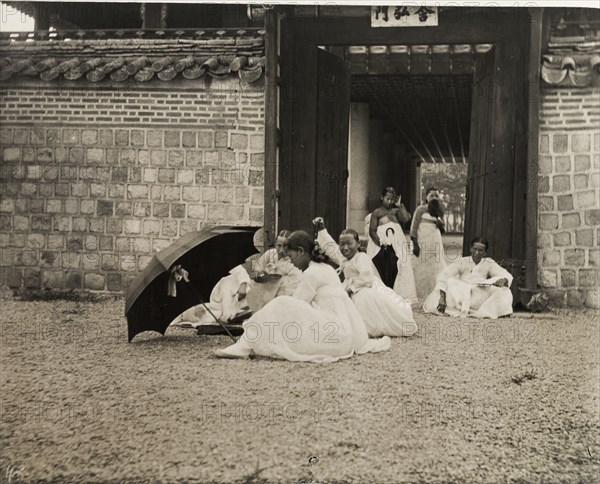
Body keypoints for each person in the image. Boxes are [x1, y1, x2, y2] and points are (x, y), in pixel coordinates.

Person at [215, 231, 391, 361]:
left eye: (291, 256)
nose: (290, 261)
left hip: (335, 334)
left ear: (300, 252)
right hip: (344, 331)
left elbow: (295, 305)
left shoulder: (312, 273)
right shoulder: (326, 268)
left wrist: (264, 312)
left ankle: (246, 344)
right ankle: (248, 341)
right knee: (281, 305)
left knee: (281, 303)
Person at [314, 220, 417, 338]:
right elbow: (331, 247)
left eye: (349, 243)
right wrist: (321, 228)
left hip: (365, 287)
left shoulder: (361, 257)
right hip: (353, 287)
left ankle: (366, 328)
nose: (345, 247)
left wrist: (350, 290)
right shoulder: (344, 258)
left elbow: (367, 278)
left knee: (364, 301)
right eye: (342, 244)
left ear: (358, 244)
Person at [423, 237, 514, 319]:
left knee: (504, 290)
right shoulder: (462, 261)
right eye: (475, 249)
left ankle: (500, 311)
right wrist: (442, 297)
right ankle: (452, 306)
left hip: (479, 295)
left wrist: (504, 280)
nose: (477, 253)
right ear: (470, 248)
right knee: (450, 282)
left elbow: (505, 274)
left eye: (481, 250)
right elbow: (444, 274)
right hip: (461, 294)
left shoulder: (488, 262)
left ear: (485, 252)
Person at [366, 187, 418, 304]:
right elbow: (372, 231)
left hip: (397, 242)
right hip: (383, 243)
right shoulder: (377, 212)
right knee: (384, 267)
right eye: (387, 198)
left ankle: (397, 293)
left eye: (392, 199)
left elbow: (406, 218)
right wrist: (380, 242)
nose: (389, 201)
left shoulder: (395, 211)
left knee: (401, 264)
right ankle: (383, 294)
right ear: (382, 197)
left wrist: (400, 206)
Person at [411, 197, 447, 302]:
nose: (434, 197)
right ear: (427, 197)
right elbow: (414, 226)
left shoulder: (439, 209)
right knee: (420, 266)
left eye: (436, 195)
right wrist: (415, 243)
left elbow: (443, 230)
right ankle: (419, 293)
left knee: (435, 266)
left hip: (434, 240)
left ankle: (434, 292)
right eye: (431, 195)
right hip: (422, 238)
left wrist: (441, 225)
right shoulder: (420, 209)